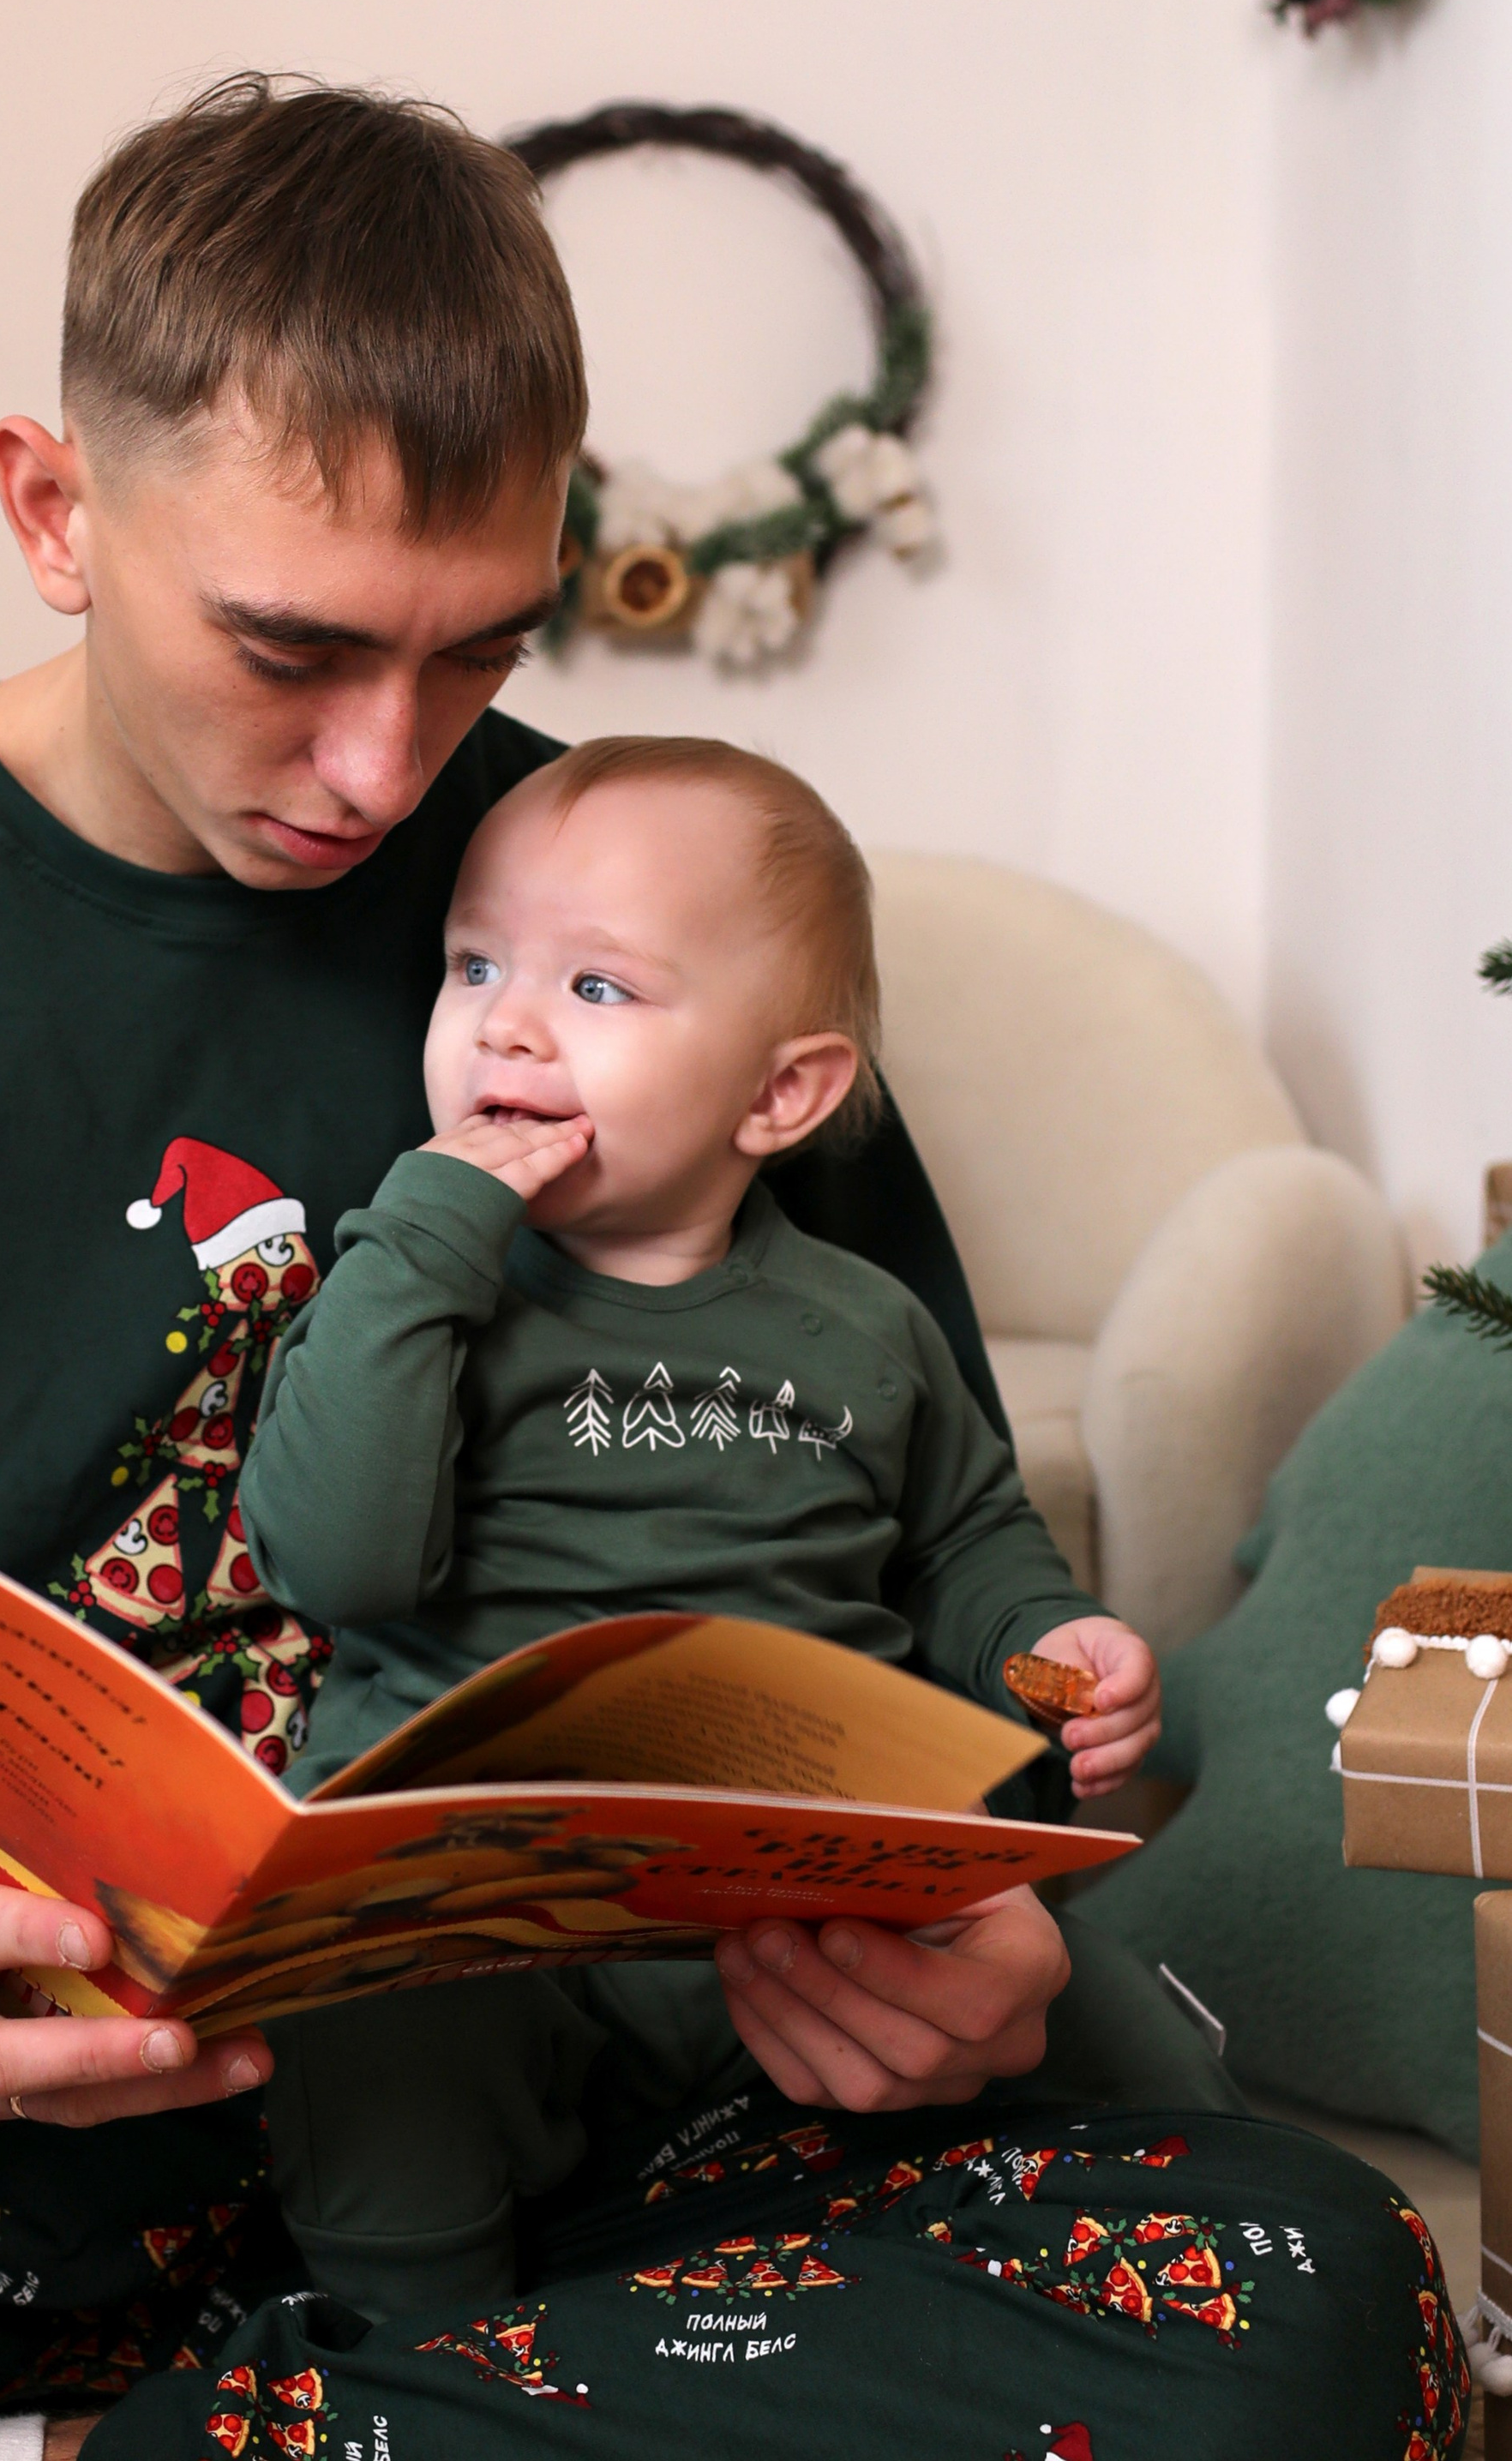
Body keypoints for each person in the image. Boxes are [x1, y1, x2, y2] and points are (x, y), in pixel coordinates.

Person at [0, 76, 1449, 2461]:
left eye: (471, 653)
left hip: (595, 2127)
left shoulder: (635, 919)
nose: (379, 764)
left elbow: (945, 1594)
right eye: (293, 647)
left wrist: (971, 1930)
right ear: (53, 508)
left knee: (1317, 2295)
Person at [241, 733, 1162, 2318]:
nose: (506, 1019)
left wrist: (1049, 1638)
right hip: (492, 1907)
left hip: (792, 1903)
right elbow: (338, 1559)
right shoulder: (416, 1288)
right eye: (474, 964)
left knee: (1107, 2007)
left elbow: (963, 1539)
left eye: (597, 988)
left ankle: (1120, 2264)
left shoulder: (861, 1325)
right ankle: (430, 2350)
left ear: (783, 1091)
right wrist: (424, 1234)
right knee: (366, 2011)